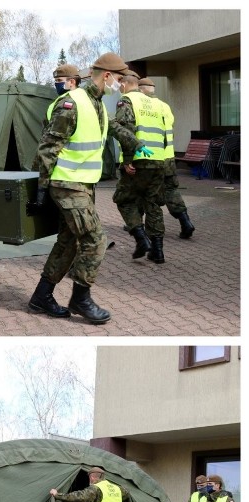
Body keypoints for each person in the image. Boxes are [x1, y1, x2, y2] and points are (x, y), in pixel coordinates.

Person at [28, 52, 151, 324]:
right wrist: (41, 188)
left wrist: (134, 143)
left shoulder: (96, 104)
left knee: (69, 241)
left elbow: (114, 128)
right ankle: (80, 298)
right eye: (118, 79)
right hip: (67, 184)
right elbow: (48, 147)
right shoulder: (72, 104)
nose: (120, 84)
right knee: (95, 240)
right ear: (106, 76)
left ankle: (41, 296)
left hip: (83, 184)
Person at [111, 71, 168, 263]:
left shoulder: (126, 100)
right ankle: (158, 251)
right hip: (159, 160)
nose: (119, 88)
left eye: (120, 85)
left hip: (138, 160)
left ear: (125, 85)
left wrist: (128, 160)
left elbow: (125, 130)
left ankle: (141, 238)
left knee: (124, 200)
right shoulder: (155, 103)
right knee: (152, 203)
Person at [138, 77, 196, 239]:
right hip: (169, 157)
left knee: (144, 191)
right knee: (171, 190)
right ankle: (185, 222)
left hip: (150, 157)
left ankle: (137, 223)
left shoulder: (142, 107)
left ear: (141, 89)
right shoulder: (165, 106)